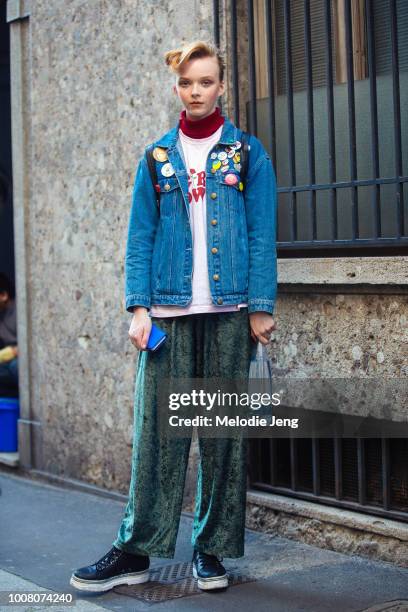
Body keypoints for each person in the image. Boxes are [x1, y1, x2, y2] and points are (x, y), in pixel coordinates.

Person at [70, 40, 277, 593]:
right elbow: (140, 237)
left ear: (222, 86)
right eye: (187, 82)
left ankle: (210, 551)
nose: (196, 91)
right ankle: (136, 549)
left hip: (231, 313)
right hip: (166, 312)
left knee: (221, 439)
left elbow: (261, 235)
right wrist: (138, 307)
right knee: (156, 436)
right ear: (176, 87)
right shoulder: (157, 157)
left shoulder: (248, 155)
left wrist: (261, 306)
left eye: (206, 81)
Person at [0, 273, 18, 398]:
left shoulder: (19, 311)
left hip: (18, 363)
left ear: (3, 295)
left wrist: (6, 354)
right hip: (6, 364)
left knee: (16, 366)